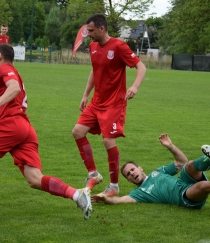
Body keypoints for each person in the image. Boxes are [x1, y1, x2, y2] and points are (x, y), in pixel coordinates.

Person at [0, 44, 92, 220]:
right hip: (24, 127)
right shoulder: (2, 78)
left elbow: (14, 88)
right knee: (34, 179)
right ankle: (77, 195)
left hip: (12, 124)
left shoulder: (4, 68)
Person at [72, 13, 147, 196]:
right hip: (96, 102)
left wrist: (135, 86)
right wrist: (85, 95)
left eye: (91, 30)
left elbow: (141, 66)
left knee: (108, 140)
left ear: (101, 28)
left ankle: (114, 186)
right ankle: (93, 174)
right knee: (77, 132)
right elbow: (94, 71)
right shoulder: (93, 46)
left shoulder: (119, 46)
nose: (88, 34)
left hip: (114, 104)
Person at [92, 133, 210, 208]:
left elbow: (180, 162)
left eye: (132, 170)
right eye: (129, 175)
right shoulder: (139, 193)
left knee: (189, 165)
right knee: (206, 185)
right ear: (130, 181)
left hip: (185, 180)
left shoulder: (157, 172)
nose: (132, 174)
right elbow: (121, 200)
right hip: (185, 195)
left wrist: (170, 146)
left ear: (140, 168)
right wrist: (106, 199)